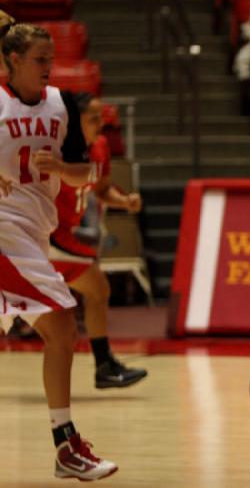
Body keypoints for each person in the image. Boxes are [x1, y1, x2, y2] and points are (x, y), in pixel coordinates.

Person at [0, 12, 118, 481]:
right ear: (12, 60)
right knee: (62, 325)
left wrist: (63, 170)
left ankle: (65, 446)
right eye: (39, 59)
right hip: (4, 231)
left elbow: (87, 174)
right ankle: (67, 444)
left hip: (35, 233)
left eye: (52, 58)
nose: (49, 66)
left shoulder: (61, 104)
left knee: (54, 330)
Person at [47, 93, 148, 389]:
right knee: (96, 285)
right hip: (44, 233)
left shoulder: (101, 147)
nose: (100, 123)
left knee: (92, 291)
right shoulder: (54, 148)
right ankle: (104, 365)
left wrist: (125, 201)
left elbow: (102, 191)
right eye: (92, 117)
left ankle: (104, 365)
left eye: (101, 117)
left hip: (64, 234)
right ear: (73, 122)